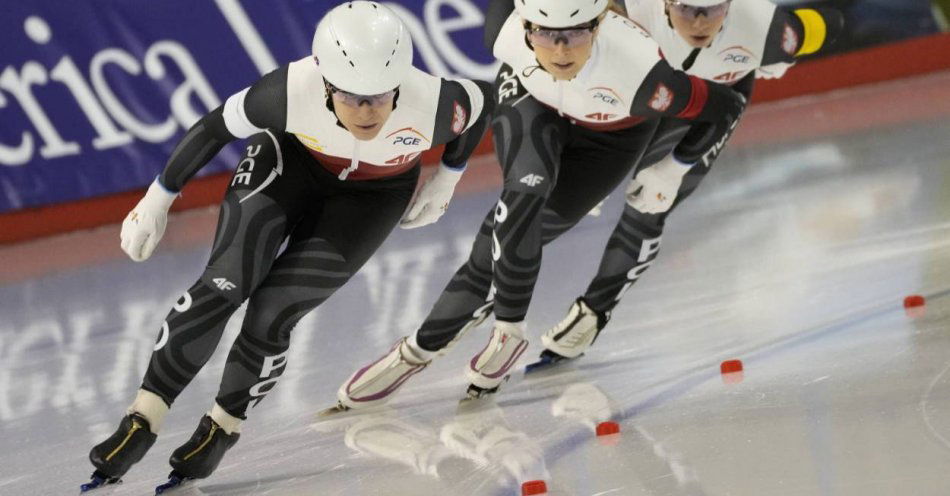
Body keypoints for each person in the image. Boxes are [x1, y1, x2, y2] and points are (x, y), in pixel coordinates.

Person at [80, 1, 493, 492]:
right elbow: (214, 127)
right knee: (224, 283)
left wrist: (447, 177)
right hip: (288, 166)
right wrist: (158, 198)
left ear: (400, 84)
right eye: (351, 97)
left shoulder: (434, 103)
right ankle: (141, 419)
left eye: (380, 98)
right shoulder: (288, 90)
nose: (366, 112)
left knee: (274, 312)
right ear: (325, 83)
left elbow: (483, 104)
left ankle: (221, 428)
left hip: (373, 197)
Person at [330, 0, 748, 411]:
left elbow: (726, 107)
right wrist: (447, 178)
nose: (561, 51)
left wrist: (674, 168)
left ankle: (419, 349)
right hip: (532, 104)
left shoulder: (645, 77)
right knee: (522, 197)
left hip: (611, 141)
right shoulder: (505, 34)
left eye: (575, 34)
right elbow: (470, 105)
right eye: (546, 34)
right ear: (526, 25)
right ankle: (498, 335)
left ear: (599, 24)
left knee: (491, 249)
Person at [532, 0, 843, 367]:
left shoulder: (764, 26)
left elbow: (832, 21)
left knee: (649, 205)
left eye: (711, 10)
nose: (698, 22)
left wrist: (675, 169)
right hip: (640, 99)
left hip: (710, 108)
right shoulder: (625, 10)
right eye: (686, 8)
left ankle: (594, 311)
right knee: (560, 200)